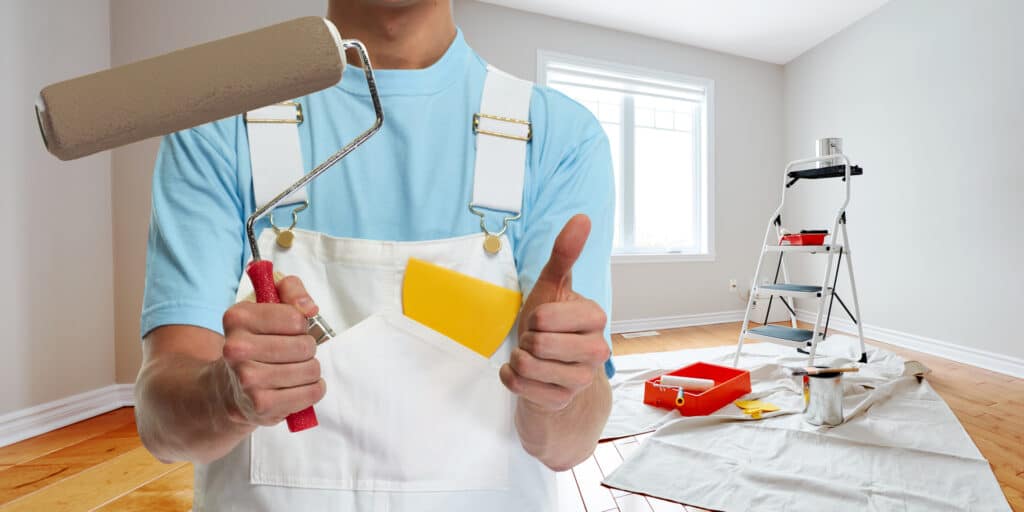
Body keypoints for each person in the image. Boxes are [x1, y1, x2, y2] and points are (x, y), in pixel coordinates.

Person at [134, 0, 615, 510]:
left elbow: (570, 444)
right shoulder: (217, 127)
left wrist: (556, 396)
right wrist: (224, 397)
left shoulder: (561, 137)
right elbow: (162, 426)